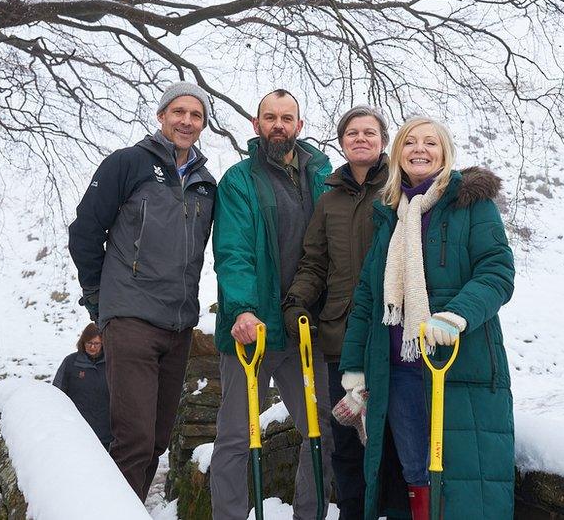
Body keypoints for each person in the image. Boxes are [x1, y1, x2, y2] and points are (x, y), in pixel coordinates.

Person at [336, 117, 515, 519]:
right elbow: (368, 297)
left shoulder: (472, 205)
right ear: (398, 153)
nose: (420, 149)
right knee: (415, 472)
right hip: (399, 373)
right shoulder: (390, 217)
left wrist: (456, 316)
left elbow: (497, 271)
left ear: (444, 152)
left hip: (459, 366)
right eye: (410, 142)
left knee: (464, 480)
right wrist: (354, 367)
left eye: (430, 142)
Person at [67, 82, 216, 501]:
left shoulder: (207, 185)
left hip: (180, 323)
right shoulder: (128, 164)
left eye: (196, 115)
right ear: (161, 116)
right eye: (178, 112)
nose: (187, 121)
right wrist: (100, 298)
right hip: (131, 317)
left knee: (155, 441)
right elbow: (84, 233)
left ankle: (126, 508)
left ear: (203, 124)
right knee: (132, 439)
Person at [211, 89, 335, 520]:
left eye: (287, 118)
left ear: (299, 126)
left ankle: (309, 514)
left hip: (305, 329)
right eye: (270, 117)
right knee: (234, 438)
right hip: (255, 330)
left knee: (322, 431)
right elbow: (233, 251)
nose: (278, 125)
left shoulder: (324, 177)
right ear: (256, 124)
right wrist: (243, 308)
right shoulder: (239, 180)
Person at [281, 105, 390, 520]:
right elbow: (314, 262)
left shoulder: (398, 190)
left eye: (369, 132)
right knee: (345, 435)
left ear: (382, 140)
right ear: (341, 142)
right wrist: (296, 301)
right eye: (352, 133)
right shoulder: (328, 201)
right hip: (339, 337)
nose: (360, 139)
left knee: (389, 432)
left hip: (389, 332)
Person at [53, 323, 111, 450]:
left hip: (105, 430)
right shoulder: (70, 362)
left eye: (96, 344)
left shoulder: (111, 363)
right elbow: (57, 393)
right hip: (77, 429)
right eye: (88, 343)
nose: (92, 347)